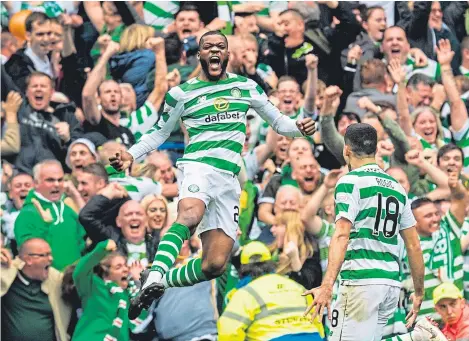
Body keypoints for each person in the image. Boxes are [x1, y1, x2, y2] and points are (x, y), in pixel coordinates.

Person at [109, 30, 316, 318]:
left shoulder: (246, 87)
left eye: (221, 46)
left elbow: (280, 122)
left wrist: (301, 127)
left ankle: (157, 281)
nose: (215, 50)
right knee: (190, 215)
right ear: (200, 55)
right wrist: (131, 154)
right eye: (208, 46)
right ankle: (157, 272)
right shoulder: (181, 93)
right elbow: (158, 133)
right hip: (198, 167)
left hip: (230, 180)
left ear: (228, 55)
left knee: (214, 264)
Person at [303, 123, 426, 341]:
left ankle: (419, 337)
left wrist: (327, 285)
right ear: (375, 150)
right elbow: (414, 245)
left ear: (346, 150)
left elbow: (341, 234)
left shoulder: (350, 182)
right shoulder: (397, 188)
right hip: (390, 282)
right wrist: (419, 291)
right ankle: (415, 338)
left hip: (361, 280)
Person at [218, 241, 325, 341]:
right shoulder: (297, 287)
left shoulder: (246, 293)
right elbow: (318, 323)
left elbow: (228, 331)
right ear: (271, 263)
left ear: (242, 269)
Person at [14, 160, 86, 271]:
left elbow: (81, 243)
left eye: (60, 180)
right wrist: (45, 225)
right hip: (46, 282)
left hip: (74, 280)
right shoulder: (27, 214)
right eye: (50, 180)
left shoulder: (68, 210)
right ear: (36, 183)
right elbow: (29, 255)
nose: (56, 184)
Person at [70, 239, 144, 341]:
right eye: (118, 267)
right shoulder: (94, 287)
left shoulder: (130, 295)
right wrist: (102, 249)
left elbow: (141, 321)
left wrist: (138, 282)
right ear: (106, 273)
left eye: (126, 265)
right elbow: (80, 272)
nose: (126, 269)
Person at [1, 238, 71, 341]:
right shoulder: (9, 278)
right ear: (28, 259)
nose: (51, 258)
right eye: (45, 255)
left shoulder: (56, 281)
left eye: (50, 254)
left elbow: (79, 279)